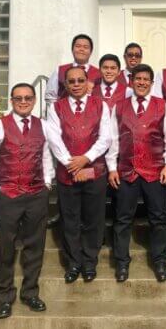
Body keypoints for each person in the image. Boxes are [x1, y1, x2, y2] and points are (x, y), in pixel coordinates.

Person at [0, 83, 53, 319]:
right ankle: (4, 297)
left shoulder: (42, 125)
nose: (23, 102)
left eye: (28, 98)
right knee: (5, 247)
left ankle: (30, 293)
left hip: (36, 194)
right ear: (12, 101)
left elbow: (46, 156)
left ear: (34, 101)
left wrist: (47, 183)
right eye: (18, 98)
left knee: (35, 246)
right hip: (8, 195)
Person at [106, 64, 166, 283]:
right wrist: (112, 168)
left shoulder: (162, 105)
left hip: (154, 171)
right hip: (127, 171)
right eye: (138, 79)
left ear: (151, 83)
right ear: (131, 81)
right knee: (122, 219)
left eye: (146, 79)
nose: (142, 83)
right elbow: (113, 140)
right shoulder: (118, 106)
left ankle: (160, 261)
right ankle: (122, 263)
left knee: (158, 218)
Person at [46, 66, 111, 283]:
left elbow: (106, 138)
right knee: (70, 220)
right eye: (71, 81)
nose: (76, 84)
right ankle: (73, 263)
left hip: (95, 170)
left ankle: (90, 262)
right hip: (67, 173)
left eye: (80, 80)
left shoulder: (101, 105)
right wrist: (70, 163)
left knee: (94, 219)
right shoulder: (56, 108)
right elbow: (54, 139)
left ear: (87, 82)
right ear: (65, 84)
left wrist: (86, 158)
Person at [45, 34, 101, 104]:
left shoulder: (99, 74)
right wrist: (57, 110)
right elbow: (50, 96)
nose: (81, 49)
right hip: (64, 113)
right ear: (72, 49)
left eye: (85, 47)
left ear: (91, 51)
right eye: (78, 46)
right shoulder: (60, 70)